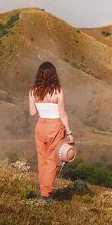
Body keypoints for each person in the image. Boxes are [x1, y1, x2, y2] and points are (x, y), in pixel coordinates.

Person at [28, 61, 74, 199]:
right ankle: (45, 194)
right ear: (53, 74)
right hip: (55, 126)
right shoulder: (57, 90)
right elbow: (62, 113)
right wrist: (69, 132)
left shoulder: (32, 91)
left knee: (42, 159)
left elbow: (32, 112)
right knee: (53, 161)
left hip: (40, 126)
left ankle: (43, 189)